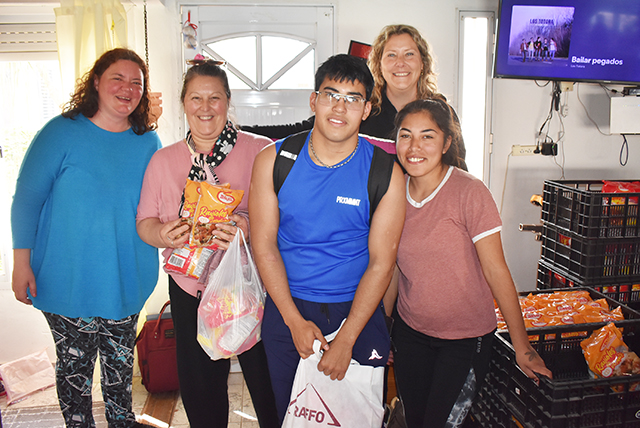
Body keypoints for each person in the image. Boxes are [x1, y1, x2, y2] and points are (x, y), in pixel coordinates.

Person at [249, 54, 406, 424]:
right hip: (289, 308)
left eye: (353, 98)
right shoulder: (274, 159)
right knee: (290, 415)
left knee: (355, 417)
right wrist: (292, 320)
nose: (340, 107)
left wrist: (348, 338)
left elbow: (383, 262)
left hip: (358, 310)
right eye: (330, 94)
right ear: (313, 100)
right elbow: (264, 245)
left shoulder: (385, 171)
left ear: (367, 109)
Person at [11, 48, 161, 428]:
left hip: (125, 277)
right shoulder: (61, 131)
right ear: (96, 81)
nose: (127, 89)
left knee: (119, 372)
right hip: (67, 279)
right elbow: (27, 199)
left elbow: (157, 203)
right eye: (118, 79)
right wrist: (21, 263)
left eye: (137, 83)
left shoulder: (148, 142)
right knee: (76, 373)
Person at [383, 99, 552, 428]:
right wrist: (383, 327)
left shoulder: (469, 191)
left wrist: (522, 346)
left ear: (447, 142)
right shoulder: (393, 192)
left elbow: (496, 270)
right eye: (406, 136)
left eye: (427, 136)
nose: (414, 147)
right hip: (410, 334)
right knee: (415, 420)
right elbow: (391, 268)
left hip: (464, 340)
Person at [135, 57, 280, 428]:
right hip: (190, 287)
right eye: (196, 98)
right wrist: (162, 233)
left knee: (267, 380)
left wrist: (244, 225)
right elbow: (145, 223)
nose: (205, 107)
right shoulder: (163, 161)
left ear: (228, 102)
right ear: (184, 102)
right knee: (201, 387)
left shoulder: (260, 151)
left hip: (252, 283)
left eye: (214, 98)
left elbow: (283, 215)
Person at [242, 24, 467, 169]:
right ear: (378, 63)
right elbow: (301, 130)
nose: (400, 63)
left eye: (409, 54)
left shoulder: (440, 111)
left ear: (423, 62)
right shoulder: (362, 107)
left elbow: (458, 168)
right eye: (391, 55)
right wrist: (238, 130)